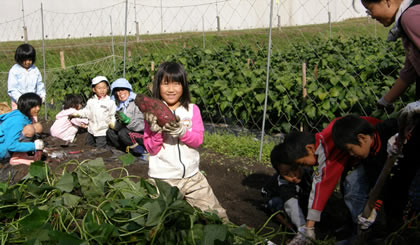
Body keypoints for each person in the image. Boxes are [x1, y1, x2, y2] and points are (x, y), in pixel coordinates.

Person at [143, 61, 228, 221]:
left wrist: (182, 132)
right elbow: (151, 149)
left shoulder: (192, 110)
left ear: (184, 86)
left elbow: (198, 141)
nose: (171, 89)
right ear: (157, 86)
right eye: (165, 83)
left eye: (176, 83)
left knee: (217, 217)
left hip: (192, 177)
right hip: (163, 178)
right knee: (158, 221)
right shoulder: (152, 113)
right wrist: (156, 131)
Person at [275, 116, 382, 242]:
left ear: (309, 148)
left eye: (303, 163)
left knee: (353, 186)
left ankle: (367, 233)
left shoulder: (329, 145)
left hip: (379, 151)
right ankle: (356, 227)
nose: (306, 166)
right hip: (371, 155)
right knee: (349, 184)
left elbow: (322, 185)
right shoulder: (326, 139)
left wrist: (308, 228)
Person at [332, 115, 401, 242]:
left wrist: (402, 136)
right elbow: (379, 185)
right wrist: (373, 210)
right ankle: (370, 232)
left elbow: (405, 120)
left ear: (362, 138)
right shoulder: (369, 159)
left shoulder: (386, 129)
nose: (351, 154)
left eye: (351, 150)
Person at [358, 0, 420, 107]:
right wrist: (384, 101)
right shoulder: (409, 15)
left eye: (370, 10)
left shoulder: (410, 17)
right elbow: (410, 70)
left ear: (387, 2)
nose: (372, 16)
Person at [262, 143, 313, 230]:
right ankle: (290, 228)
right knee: (277, 204)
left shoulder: (308, 170)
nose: (293, 176)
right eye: (286, 174)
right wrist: (302, 228)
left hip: (298, 193)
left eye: (294, 169)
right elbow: (291, 204)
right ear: (280, 174)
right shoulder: (283, 183)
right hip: (274, 196)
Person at [106, 78, 146, 159]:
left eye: (123, 89)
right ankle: (124, 151)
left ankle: (142, 152)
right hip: (128, 134)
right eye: (118, 91)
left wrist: (128, 121)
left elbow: (143, 126)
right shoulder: (119, 107)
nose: (120, 93)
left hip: (143, 135)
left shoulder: (137, 103)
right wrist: (114, 125)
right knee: (110, 132)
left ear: (129, 90)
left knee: (123, 133)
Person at [0, 93, 44, 165]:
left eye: (39, 105)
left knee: (37, 126)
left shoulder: (26, 116)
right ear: (27, 107)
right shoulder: (17, 120)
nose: (38, 108)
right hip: (3, 151)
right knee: (29, 129)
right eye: (34, 106)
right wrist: (34, 146)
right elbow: (11, 145)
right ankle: (16, 158)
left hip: (7, 147)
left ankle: (22, 154)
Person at [72, 76, 116, 148]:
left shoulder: (110, 102)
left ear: (107, 88)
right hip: (91, 130)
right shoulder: (91, 102)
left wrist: (112, 122)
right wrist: (77, 113)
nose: (102, 90)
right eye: (99, 88)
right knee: (88, 146)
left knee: (100, 148)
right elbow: (86, 111)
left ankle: (101, 158)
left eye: (104, 88)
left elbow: (113, 114)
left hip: (103, 131)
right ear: (94, 89)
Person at [7, 44, 46, 120]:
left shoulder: (35, 70)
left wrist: (41, 96)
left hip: (32, 102)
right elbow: (12, 89)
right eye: (25, 60)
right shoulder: (14, 70)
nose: (28, 62)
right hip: (19, 103)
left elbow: (39, 84)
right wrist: (20, 100)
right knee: (19, 120)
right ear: (19, 58)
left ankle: (33, 131)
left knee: (33, 121)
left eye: (30, 59)